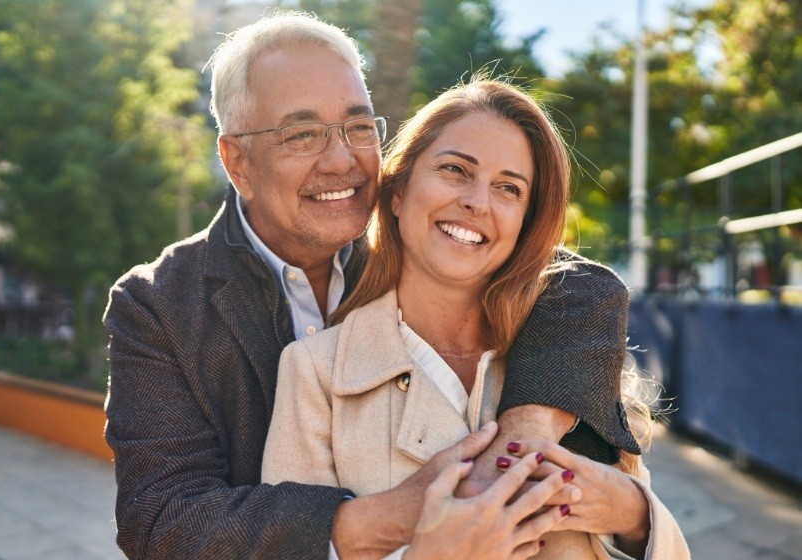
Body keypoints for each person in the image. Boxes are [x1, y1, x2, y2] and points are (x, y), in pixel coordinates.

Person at [104, 12, 642, 559]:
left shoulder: (425, 249)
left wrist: (535, 439)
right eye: (302, 134)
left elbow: (572, 277)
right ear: (237, 162)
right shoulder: (158, 305)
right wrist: (411, 511)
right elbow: (162, 519)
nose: (342, 160)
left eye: (359, 128)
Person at [262, 79, 690, 559]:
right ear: (398, 192)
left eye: (509, 188)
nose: (478, 202)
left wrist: (634, 515)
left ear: (525, 222)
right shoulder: (315, 373)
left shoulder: (566, 347)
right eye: (455, 169)